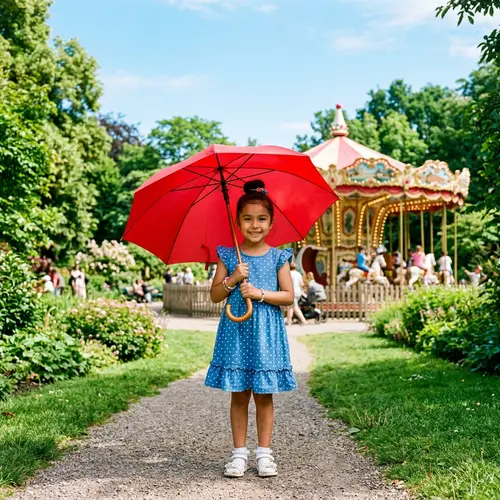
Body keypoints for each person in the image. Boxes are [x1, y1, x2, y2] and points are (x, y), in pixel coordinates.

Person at [205, 179, 296, 479]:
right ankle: (239, 454)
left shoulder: (279, 256)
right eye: (247, 219)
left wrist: (259, 294)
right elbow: (216, 294)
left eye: (261, 219)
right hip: (237, 333)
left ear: (271, 223)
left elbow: (288, 296)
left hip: (267, 333)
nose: (254, 225)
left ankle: (265, 455)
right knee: (239, 394)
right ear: (238, 222)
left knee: (264, 395)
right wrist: (233, 277)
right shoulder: (229, 255)